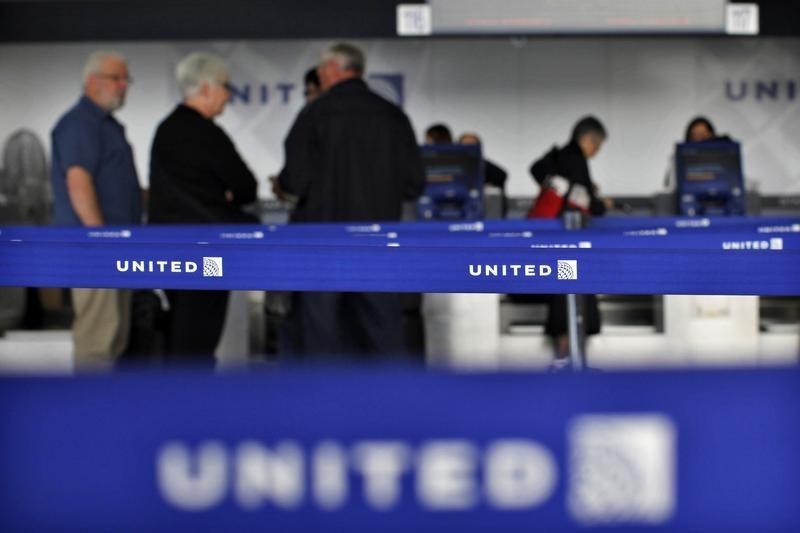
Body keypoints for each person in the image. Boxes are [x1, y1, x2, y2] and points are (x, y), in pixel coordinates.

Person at [278, 42, 425, 359]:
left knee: (321, 340)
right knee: (384, 335)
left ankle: (323, 406)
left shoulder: (313, 115)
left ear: (333, 69)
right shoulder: (394, 117)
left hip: (321, 245)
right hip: (377, 244)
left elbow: (296, 181)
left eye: (320, 69)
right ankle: (395, 405)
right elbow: (414, 184)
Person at [148, 51, 258, 366]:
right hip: (209, 254)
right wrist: (225, 196)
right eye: (226, 87)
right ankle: (195, 407)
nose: (228, 95)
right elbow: (245, 187)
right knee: (200, 337)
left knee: (180, 331)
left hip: (167, 253)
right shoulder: (208, 134)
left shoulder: (164, 130)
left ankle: (177, 404)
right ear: (207, 88)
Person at [50, 51, 142, 371]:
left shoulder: (107, 125)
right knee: (97, 342)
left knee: (114, 338)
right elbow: (78, 182)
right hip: (95, 250)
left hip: (114, 247)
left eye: (125, 80)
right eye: (115, 78)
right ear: (92, 81)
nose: (122, 86)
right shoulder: (79, 124)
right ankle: (89, 415)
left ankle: (108, 415)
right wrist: (100, 238)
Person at [528, 116, 611, 368]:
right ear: (587, 139)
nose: (595, 152)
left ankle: (565, 356)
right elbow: (586, 201)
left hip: (556, 242)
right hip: (571, 245)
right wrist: (601, 204)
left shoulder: (558, 156)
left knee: (563, 293)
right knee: (573, 294)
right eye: (596, 146)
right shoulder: (575, 160)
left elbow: (537, 169)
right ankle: (571, 359)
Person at [458, 131, 508, 217]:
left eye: (472, 146)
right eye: (465, 146)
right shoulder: (452, 167)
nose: (469, 150)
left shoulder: (489, 168)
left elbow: (501, 176)